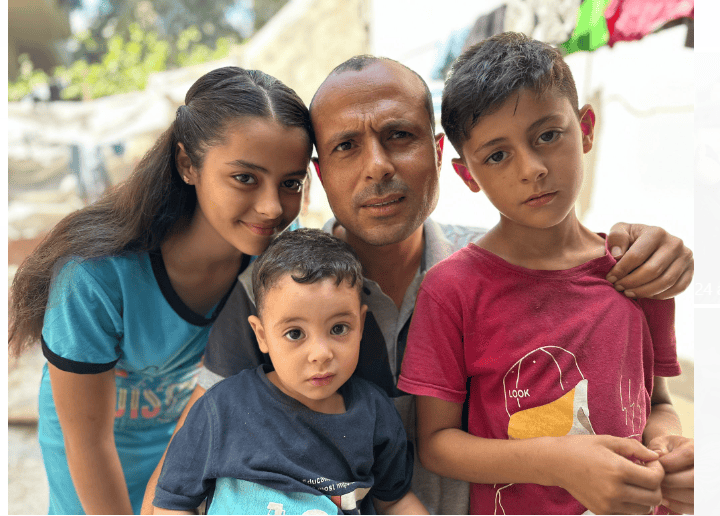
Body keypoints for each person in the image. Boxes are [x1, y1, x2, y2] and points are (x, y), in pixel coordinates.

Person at [142, 56, 694, 515]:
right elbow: (188, 459)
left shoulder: (501, 274)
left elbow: (636, 396)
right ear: (319, 174)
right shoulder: (274, 290)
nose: (377, 167)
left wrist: (665, 449)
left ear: (437, 153)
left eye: (398, 136)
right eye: (346, 147)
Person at [397, 32, 694, 515]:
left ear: (587, 129)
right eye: (497, 155)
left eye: (548, 136)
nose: (532, 168)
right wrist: (559, 462)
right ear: (467, 175)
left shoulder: (639, 271)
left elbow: (657, 403)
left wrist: (670, 448)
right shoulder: (452, 289)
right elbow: (437, 444)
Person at [8, 66, 313, 514]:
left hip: (187, 462)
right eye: (245, 178)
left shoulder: (274, 259)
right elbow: (87, 442)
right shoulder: (94, 278)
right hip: (92, 474)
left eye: (290, 183)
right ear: (188, 164)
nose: (271, 206)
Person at [151, 229, 427, 515]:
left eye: (339, 329)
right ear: (261, 335)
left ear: (360, 324)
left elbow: (395, 501)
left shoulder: (375, 417)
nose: (321, 354)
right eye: (295, 333)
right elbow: (173, 503)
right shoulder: (220, 410)